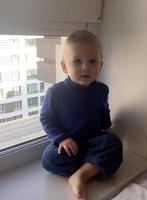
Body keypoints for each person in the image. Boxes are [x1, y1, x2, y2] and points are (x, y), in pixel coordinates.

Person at [40, 30, 123, 200]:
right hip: (69, 146)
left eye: (92, 61)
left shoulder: (101, 90)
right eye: (77, 61)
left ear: (100, 65)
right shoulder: (56, 93)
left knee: (114, 143)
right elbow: (46, 118)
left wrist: (107, 126)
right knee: (48, 158)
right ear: (64, 66)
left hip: (93, 140)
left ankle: (80, 175)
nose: (85, 67)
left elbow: (103, 111)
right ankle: (94, 168)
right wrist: (62, 138)